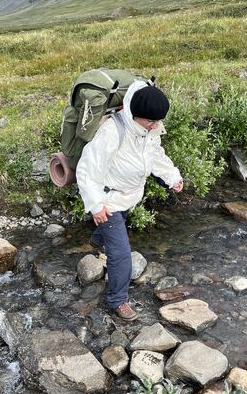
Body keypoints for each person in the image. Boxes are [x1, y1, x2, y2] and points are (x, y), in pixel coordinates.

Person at [76, 80, 183, 321]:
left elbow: (156, 155)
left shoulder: (149, 129)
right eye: (151, 121)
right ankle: (118, 300)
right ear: (134, 115)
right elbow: (87, 170)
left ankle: (97, 240)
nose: (156, 126)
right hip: (109, 200)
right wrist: (96, 205)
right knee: (121, 255)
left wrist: (172, 177)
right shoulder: (111, 132)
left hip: (129, 196)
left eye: (158, 121)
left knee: (117, 231)